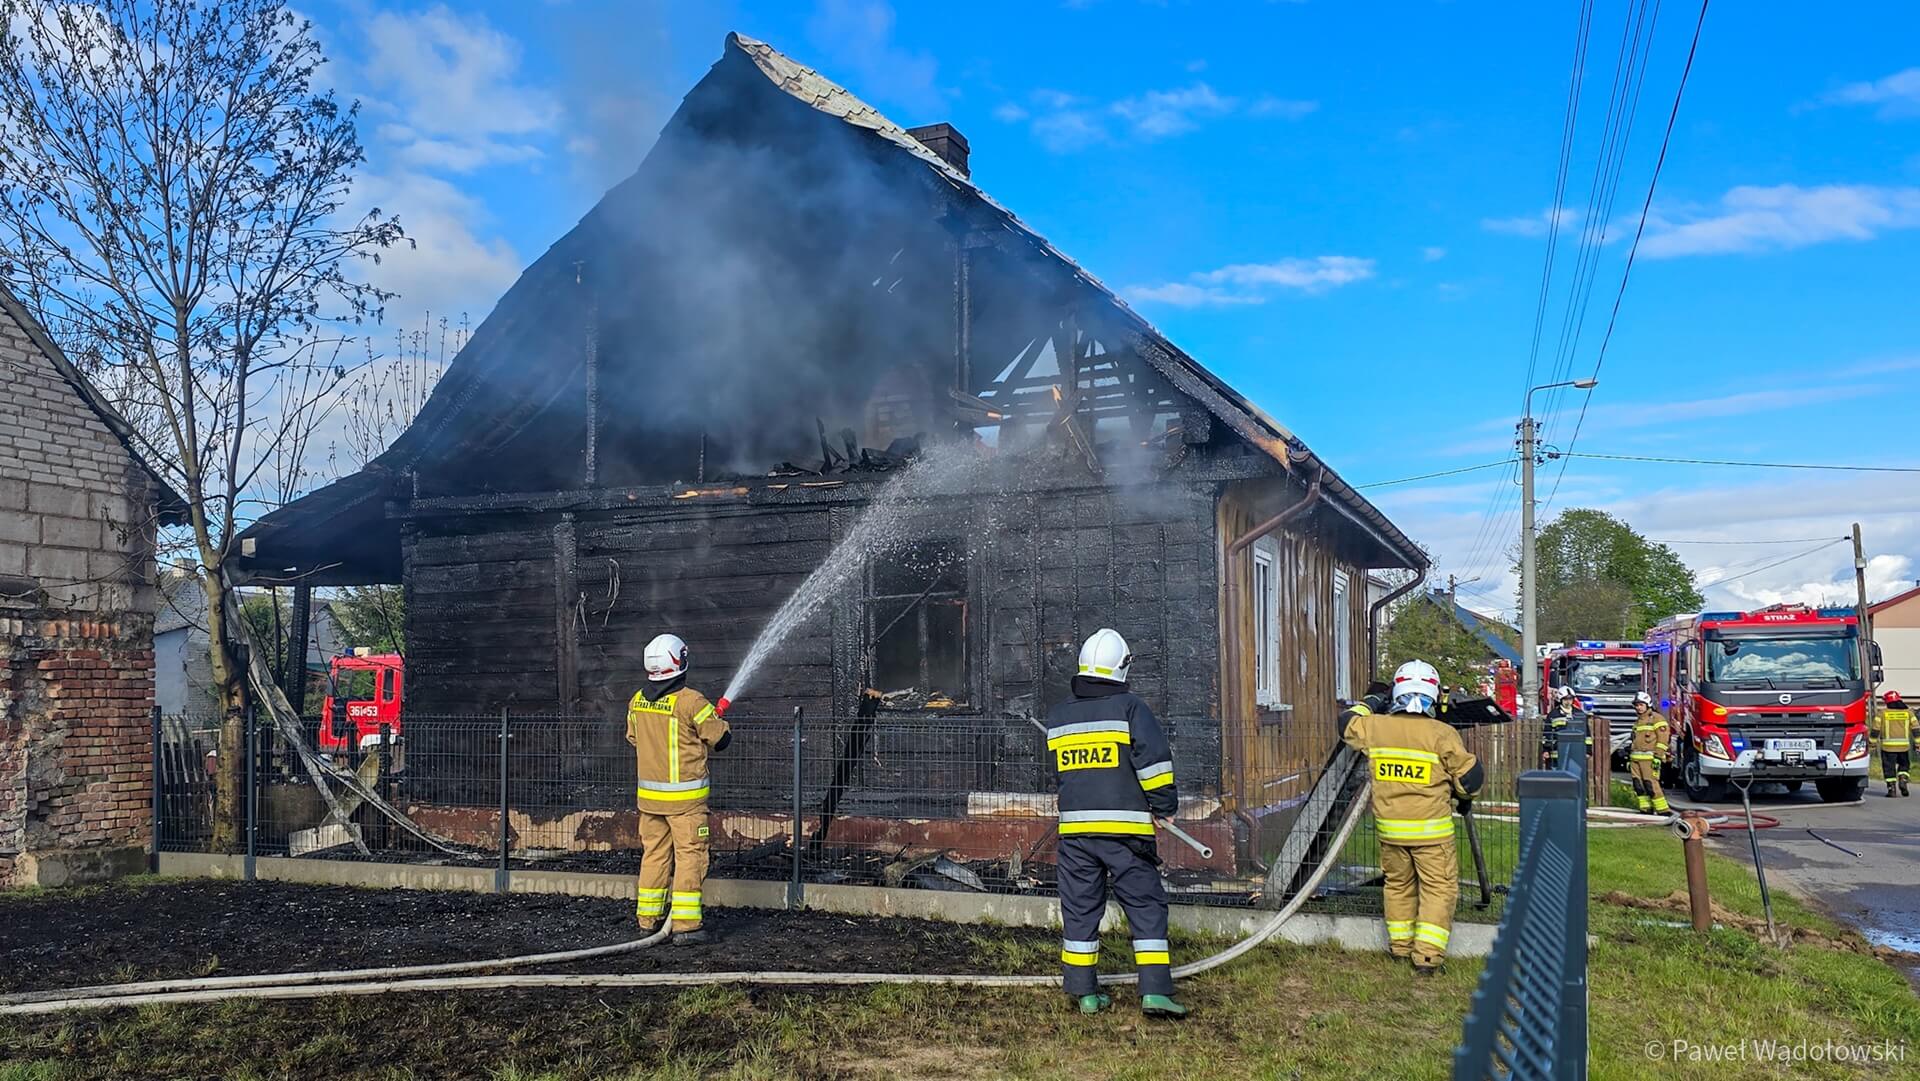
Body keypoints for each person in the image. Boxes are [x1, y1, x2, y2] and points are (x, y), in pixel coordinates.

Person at [1044, 628, 1187, 1019]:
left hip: (1075, 835)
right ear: (1123, 666)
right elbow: (1154, 763)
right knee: (1145, 906)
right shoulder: (1131, 709)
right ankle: (1155, 992)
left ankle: (1084, 994)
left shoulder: (1059, 716)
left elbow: (1062, 774)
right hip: (1127, 836)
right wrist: (1164, 806)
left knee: (1079, 910)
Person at [1341, 659, 1484, 974]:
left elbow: (1346, 722)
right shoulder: (1441, 733)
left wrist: (1372, 701)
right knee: (1438, 889)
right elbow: (1470, 778)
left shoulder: (1376, 728)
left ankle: (1400, 947)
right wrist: (1464, 798)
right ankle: (1427, 958)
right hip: (1432, 834)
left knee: (1398, 885)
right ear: (1433, 695)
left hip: (1391, 832)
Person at [625, 633, 730, 943]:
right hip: (686, 804)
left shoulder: (637, 700)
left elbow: (633, 738)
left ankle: (647, 920)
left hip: (650, 802)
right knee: (690, 857)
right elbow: (721, 740)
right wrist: (715, 721)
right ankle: (685, 926)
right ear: (681, 661)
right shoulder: (691, 702)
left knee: (654, 856)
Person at [1626, 691, 1672, 814]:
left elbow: (1663, 740)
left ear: (1648, 705)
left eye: (1641, 705)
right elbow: (1635, 741)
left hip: (1650, 760)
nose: (1638, 707)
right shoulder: (1638, 721)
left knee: (1650, 784)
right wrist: (1629, 756)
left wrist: (1658, 757)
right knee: (1638, 786)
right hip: (1635, 760)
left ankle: (1663, 810)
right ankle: (1645, 809)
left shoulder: (1657, 719)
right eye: (1636, 705)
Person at [1873, 692, 1913, 798]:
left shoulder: (1882, 713)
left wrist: (1872, 743)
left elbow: (1875, 730)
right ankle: (1903, 780)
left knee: (1889, 768)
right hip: (1904, 747)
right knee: (1904, 765)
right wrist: (1918, 743)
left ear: (1887, 702)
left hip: (1888, 748)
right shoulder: (1908, 713)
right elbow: (1916, 729)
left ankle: (1892, 790)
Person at [1541, 685, 1588, 768]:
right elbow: (1547, 733)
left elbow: (1587, 734)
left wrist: (1588, 750)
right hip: (1557, 754)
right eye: (1565, 699)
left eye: (1570, 699)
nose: (1568, 702)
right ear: (1560, 700)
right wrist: (1546, 750)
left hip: (1576, 753)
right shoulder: (1553, 715)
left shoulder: (1579, 714)